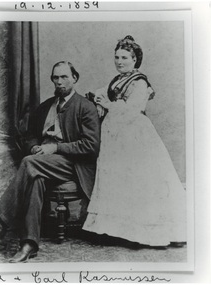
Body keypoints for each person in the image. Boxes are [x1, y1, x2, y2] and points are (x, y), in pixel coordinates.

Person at [83, 36, 186, 247]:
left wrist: (108, 104)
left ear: (135, 59)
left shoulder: (140, 82)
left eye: (124, 58)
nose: (119, 61)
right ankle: (116, 231)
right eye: (117, 57)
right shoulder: (117, 79)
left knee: (136, 179)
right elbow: (102, 94)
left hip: (134, 134)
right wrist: (97, 99)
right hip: (114, 134)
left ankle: (142, 233)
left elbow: (133, 109)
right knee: (118, 178)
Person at [0, 61, 101, 262]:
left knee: (29, 164)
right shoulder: (46, 106)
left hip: (73, 165)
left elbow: (90, 146)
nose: (60, 82)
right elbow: (29, 135)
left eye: (64, 77)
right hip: (44, 162)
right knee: (35, 179)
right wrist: (34, 147)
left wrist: (55, 147)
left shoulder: (85, 107)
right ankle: (29, 244)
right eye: (56, 77)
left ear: (75, 78)